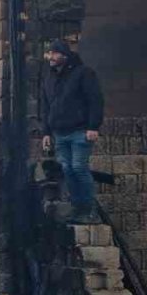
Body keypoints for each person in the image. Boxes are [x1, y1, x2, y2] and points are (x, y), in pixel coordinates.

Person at [40, 39, 104, 224]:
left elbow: (95, 100)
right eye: (49, 53)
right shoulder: (49, 78)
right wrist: (46, 132)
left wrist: (93, 126)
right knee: (67, 170)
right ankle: (78, 208)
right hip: (59, 132)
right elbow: (46, 106)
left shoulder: (83, 73)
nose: (50, 57)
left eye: (54, 53)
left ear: (65, 55)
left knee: (78, 167)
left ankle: (89, 209)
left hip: (80, 131)